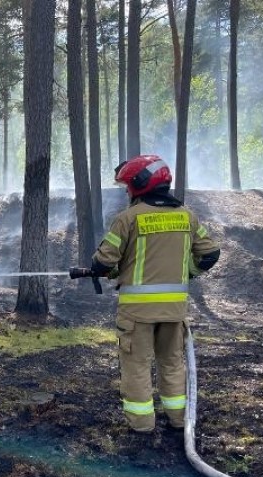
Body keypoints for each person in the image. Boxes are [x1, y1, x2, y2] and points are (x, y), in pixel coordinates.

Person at [91, 155, 220, 433]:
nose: (127, 191)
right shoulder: (186, 216)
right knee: (172, 363)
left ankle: (141, 425)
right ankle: (178, 420)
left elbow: (104, 261)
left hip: (137, 312)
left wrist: (99, 269)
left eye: (128, 185)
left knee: (136, 365)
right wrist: (188, 274)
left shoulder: (128, 219)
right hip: (174, 310)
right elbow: (210, 254)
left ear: (139, 184)